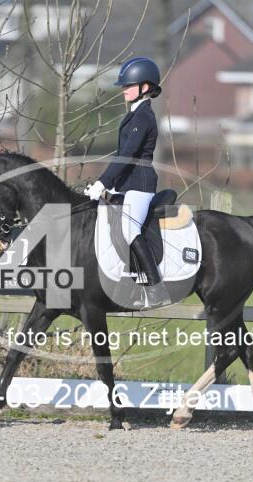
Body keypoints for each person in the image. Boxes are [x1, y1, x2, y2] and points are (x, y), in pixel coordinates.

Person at [85, 56, 171, 309]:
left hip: (140, 186)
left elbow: (127, 155)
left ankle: (156, 289)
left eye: (128, 85)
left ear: (145, 87)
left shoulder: (144, 117)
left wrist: (103, 183)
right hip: (126, 184)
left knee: (130, 230)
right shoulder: (134, 115)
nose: (123, 89)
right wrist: (106, 186)